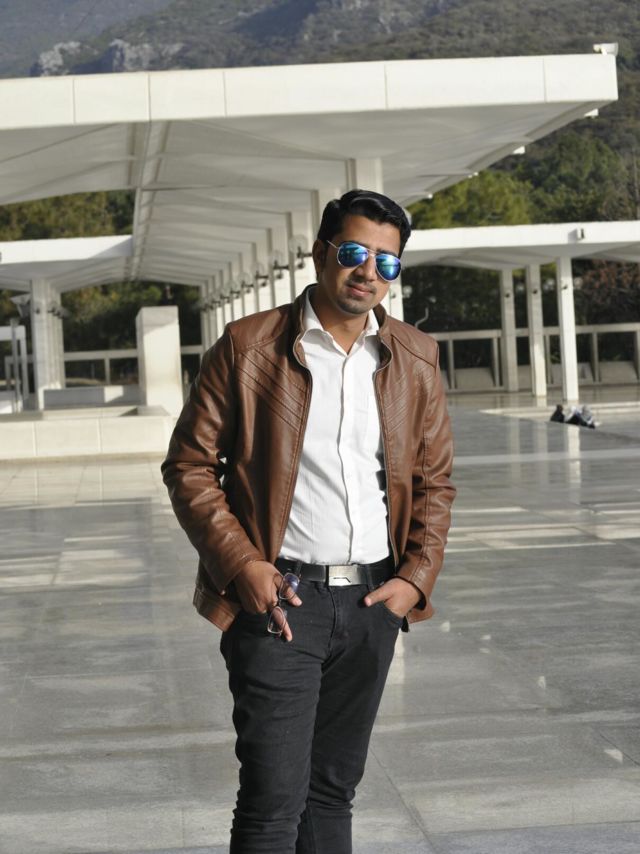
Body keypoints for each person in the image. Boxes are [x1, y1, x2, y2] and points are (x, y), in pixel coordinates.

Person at [161, 189, 456, 854]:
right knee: (273, 801)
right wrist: (243, 566)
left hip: (373, 603)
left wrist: (415, 579)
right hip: (282, 602)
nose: (368, 272)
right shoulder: (249, 346)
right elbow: (189, 465)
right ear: (321, 253)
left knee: (331, 794)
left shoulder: (415, 357)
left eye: (387, 261)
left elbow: (434, 481)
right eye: (354, 252)